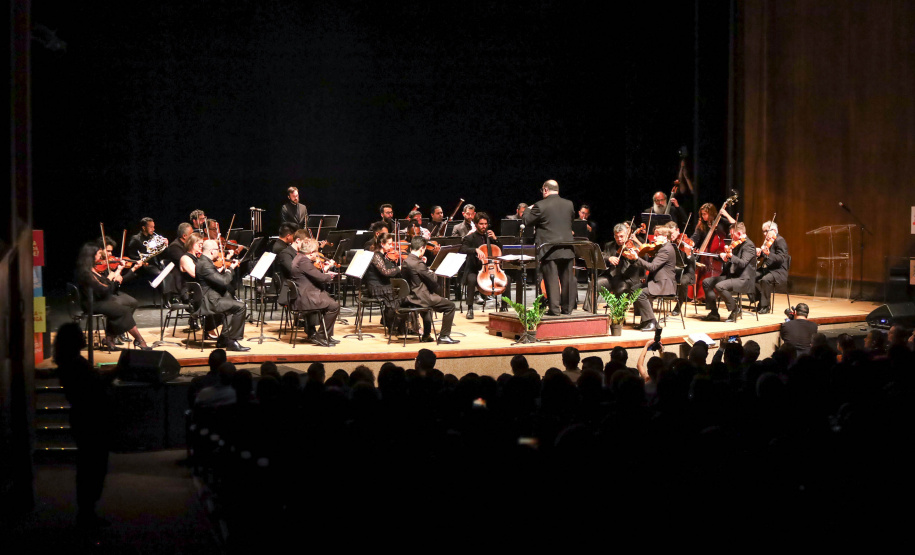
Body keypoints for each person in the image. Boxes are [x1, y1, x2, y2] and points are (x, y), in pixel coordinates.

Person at [54, 323, 114, 530]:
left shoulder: (69, 361)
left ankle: (87, 512)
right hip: (89, 419)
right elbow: (93, 387)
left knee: (90, 466)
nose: (84, 335)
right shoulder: (75, 364)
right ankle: (87, 514)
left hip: (83, 418)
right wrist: (116, 373)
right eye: (79, 334)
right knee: (93, 467)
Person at [76, 242, 153, 351]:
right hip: (92, 303)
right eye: (98, 254)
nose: (100, 256)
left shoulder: (91, 270)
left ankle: (110, 338)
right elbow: (103, 290)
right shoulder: (86, 273)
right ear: (91, 255)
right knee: (123, 311)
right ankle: (139, 340)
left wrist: (115, 275)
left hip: (99, 299)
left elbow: (104, 287)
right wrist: (112, 280)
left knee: (126, 305)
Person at [521, 179, 576, 315]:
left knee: (551, 280)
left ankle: (554, 310)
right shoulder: (569, 204)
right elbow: (570, 220)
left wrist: (528, 209)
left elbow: (527, 221)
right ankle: (567, 309)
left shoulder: (540, 205)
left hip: (548, 249)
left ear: (545, 189)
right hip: (567, 247)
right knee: (567, 279)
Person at [401, 236, 460, 344]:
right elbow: (433, 279)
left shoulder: (406, 261)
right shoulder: (418, 263)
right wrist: (429, 270)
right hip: (420, 297)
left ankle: (426, 335)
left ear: (410, 248)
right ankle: (444, 336)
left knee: (427, 307)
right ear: (422, 248)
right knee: (450, 306)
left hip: (410, 297)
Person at [196, 239, 250, 351]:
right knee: (240, 307)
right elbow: (224, 281)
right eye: (217, 250)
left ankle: (223, 340)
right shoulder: (205, 265)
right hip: (210, 301)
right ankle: (232, 340)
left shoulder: (204, 262)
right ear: (211, 251)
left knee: (232, 305)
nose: (219, 252)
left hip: (211, 298)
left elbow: (216, 278)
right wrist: (230, 269)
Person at [701, 222, 757, 323]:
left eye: (732, 234)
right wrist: (724, 257)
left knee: (720, 286)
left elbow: (743, 263)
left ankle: (735, 310)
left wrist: (731, 256)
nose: (731, 237)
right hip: (732, 275)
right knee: (706, 282)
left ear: (739, 234)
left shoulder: (749, 246)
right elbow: (731, 261)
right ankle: (714, 312)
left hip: (743, 278)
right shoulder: (736, 244)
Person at [290, 237, 341, 347]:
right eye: (316, 251)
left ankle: (327, 335)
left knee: (329, 300)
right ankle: (321, 336)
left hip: (304, 294)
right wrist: (330, 276)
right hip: (306, 297)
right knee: (334, 306)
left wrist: (325, 271)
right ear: (311, 252)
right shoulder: (304, 261)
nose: (317, 254)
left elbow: (313, 275)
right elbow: (321, 278)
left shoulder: (299, 257)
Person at [460, 212, 510, 319]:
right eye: (481, 224)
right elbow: (462, 249)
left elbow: (500, 250)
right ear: (476, 224)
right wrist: (475, 250)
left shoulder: (491, 237)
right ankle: (470, 308)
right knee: (472, 280)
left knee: (508, 279)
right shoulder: (470, 238)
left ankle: (504, 306)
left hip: (492, 269)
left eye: (485, 224)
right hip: (475, 269)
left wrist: (496, 239)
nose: (484, 226)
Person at [631, 225, 677, 331]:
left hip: (664, 284)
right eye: (654, 235)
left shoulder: (666, 250)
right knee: (634, 289)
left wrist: (637, 258)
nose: (654, 238)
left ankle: (652, 322)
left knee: (641, 294)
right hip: (657, 282)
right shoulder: (661, 248)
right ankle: (645, 321)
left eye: (657, 236)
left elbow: (652, 267)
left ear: (665, 237)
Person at [363, 233, 402, 329]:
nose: (391, 246)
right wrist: (399, 269)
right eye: (389, 244)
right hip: (375, 287)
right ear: (382, 244)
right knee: (396, 293)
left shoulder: (383, 256)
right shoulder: (376, 256)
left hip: (381, 285)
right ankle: (392, 323)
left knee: (400, 291)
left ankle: (390, 320)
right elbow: (385, 272)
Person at [754, 221, 790, 314]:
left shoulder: (780, 241)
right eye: (763, 232)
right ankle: (760, 301)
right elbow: (764, 255)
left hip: (778, 271)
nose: (764, 234)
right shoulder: (768, 242)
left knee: (765, 280)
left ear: (774, 230)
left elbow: (781, 258)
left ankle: (765, 306)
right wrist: (759, 253)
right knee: (750, 276)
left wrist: (769, 254)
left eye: (766, 231)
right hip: (767, 269)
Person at [126, 217, 166, 283]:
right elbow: (131, 255)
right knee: (160, 275)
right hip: (145, 266)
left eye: (153, 227)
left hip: (156, 263)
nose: (153, 229)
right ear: (144, 228)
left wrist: (165, 244)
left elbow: (160, 252)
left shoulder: (153, 237)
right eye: (151, 227)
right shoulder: (136, 239)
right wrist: (141, 260)